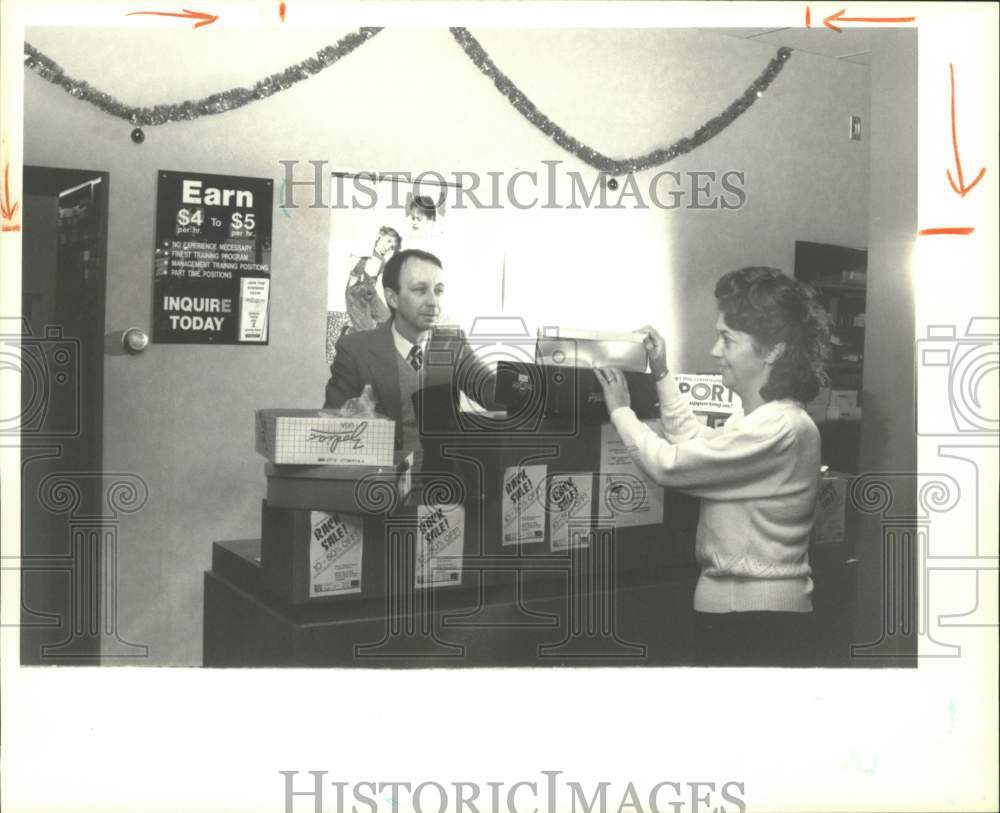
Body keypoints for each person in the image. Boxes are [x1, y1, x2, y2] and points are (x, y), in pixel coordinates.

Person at [595, 266, 832, 667]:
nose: (714, 351)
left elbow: (671, 465)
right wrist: (662, 374)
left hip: (756, 621)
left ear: (773, 350)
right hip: (743, 612)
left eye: (727, 339)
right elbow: (695, 445)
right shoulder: (761, 420)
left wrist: (621, 413)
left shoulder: (781, 428)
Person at [325, 248, 496, 445]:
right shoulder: (355, 349)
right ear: (392, 298)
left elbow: (493, 392)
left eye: (438, 291)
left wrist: (530, 385)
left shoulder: (453, 345)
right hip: (380, 473)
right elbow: (332, 423)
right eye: (420, 290)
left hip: (441, 474)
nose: (433, 302)